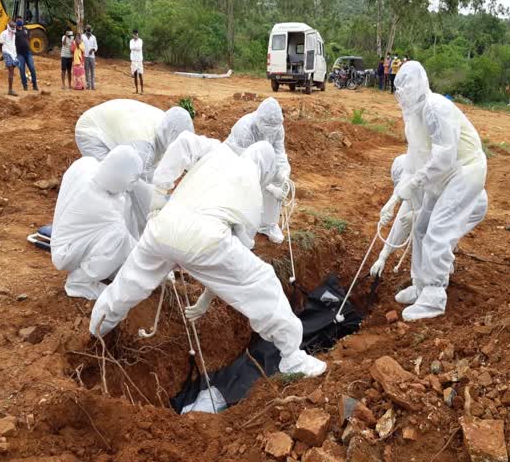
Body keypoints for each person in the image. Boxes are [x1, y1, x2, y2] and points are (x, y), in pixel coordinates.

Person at [90, 137, 327, 378]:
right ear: (265, 171)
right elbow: (233, 265)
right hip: (205, 240)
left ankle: (96, 330)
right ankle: (292, 357)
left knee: (127, 284)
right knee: (263, 282)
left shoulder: (218, 150)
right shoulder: (253, 193)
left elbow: (183, 142)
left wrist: (160, 191)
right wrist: (206, 298)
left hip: (162, 226)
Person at [373, 61, 487, 321]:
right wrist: (393, 199)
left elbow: (443, 158)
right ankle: (421, 285)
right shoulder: (412, 117)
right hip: (442, 177)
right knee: (421, 227)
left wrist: (413, 184)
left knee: (438, 230)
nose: (401, 95)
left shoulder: (436, 109)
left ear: (417, 86)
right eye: (398, 90)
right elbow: (414, 161)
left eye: (405, 89)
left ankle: (434, 296)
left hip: (464, 171)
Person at [74, 100, 195, 236]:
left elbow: (154, 175)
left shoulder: (167, 125)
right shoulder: (144, 147)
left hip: (116, 127)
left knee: (136, 187)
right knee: (114, 184)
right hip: (92, 132)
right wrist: (150, 227)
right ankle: (100, 228)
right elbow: (138, 187)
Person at [370, 153, 487, 278]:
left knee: (431, 234)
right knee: (424, 228)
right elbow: (400, 224)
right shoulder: (414, 186)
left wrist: (418, 215)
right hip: (448, 203)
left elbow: (445, 209)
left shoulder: (432, 179)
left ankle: (438, 276)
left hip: (472, 204)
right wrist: (382, 256)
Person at [52, 146, 146, 300]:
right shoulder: (101, 204)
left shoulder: (86, 165)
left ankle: (111, 269)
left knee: (122, 205)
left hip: (66, 238)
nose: (131, 186)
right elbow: (127, 243)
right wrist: (151, 260)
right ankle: (79, 283)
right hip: (66, 253)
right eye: (130, 181)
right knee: (118, 237)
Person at [225, 97, 288, 244]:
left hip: (262, 164)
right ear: (259, 120)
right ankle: (238, 230)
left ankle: (268, 225)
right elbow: (247, 170)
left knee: (279, 179)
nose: (271, 132)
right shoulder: (245, 129)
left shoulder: (278, 127)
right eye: (268, 127)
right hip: (235, 165)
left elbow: (279, 153)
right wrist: (271, 187)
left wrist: (283, 173)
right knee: (244, 192)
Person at [15, 17, 38, 91]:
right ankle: (25, 85)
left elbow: (29, 38)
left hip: (28, 52)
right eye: (18, 20)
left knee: (32, 68)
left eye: (20, 20)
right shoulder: (14, 31)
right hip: (19, 54)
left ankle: (35, 85)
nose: (19, 21)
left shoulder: (26, 29)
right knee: (22, 69)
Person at [0, 20, 19, 96]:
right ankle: (10, 90)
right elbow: (0, 45)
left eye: (14, 27)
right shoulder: (3, 34)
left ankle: (10, 89)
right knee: (10, 70)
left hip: (13, 54)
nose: (13, 28)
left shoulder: (14, 34)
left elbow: (12, 45)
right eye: (12, 27)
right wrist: (3, 53)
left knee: (12, 71)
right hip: (6, 52)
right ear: (9, 26)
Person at [82, 25, 98, 90]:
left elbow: (96, 46)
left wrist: (93, 49)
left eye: (90, 29)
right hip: (85, 56)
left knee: (92, 71)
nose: (89, 31)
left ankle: (93, 85)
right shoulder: (82, 36)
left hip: (92, 56)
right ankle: (88, 85)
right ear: (85, 29)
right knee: (86, 71)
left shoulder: (93, 37)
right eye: (88, 29)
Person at [129, 30, 143, 94]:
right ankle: (137, 90)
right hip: (133, 59)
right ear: (133, 34)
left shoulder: (140, 40)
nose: (135, 35)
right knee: (135, 75)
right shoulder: (131, 41)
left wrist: (134, 48)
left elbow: (139, 48)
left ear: (137, 34)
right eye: (134, 34)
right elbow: (131, 48)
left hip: (139, 59)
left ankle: (142, 90)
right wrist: (135, 48)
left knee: (140, 75)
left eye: (136, 34)